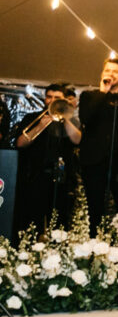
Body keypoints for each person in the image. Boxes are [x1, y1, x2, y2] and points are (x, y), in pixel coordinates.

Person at [79, 58, 118, 232]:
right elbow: (86, 119)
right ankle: (94, 248)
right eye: (107, 70)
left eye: (115, 72)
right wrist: (102, 93)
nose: (110, 74)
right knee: (95, 209)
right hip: (94, 161)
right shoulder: (89, 97)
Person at [13, 83, 82, 232]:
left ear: (64, 100)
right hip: (36, 177)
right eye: (49, 97)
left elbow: (77, 140)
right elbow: (20, 143)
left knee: (59, 224)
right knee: (32, 223)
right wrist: (40, 126)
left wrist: (66, 117)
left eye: (57, 98)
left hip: (62, 179)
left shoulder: (71, 121)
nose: (52, 101)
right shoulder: (33, 117)